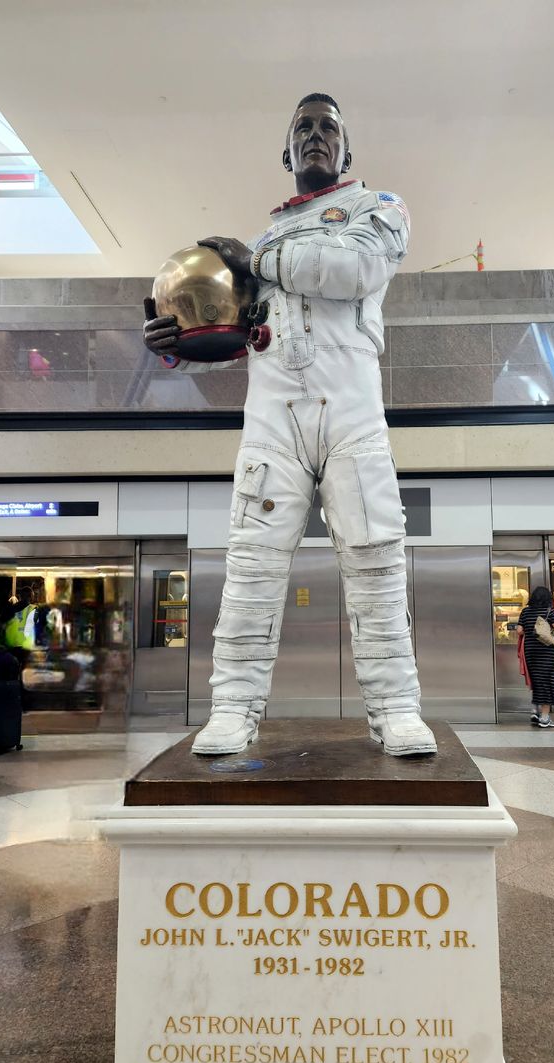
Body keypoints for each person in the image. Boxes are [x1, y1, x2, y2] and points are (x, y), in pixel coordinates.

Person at [143, 93, 436, 758]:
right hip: (273, 416)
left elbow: (355, 269)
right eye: (302, 127)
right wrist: (174, 340)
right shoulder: (263, 243)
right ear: (286, 152)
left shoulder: (378, 210)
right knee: (251, 564)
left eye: (327, 126)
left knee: (375, 556)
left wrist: (257, 262)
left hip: (352, 413)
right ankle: (232, 709)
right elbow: (234, 334)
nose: (313, 135)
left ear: (346, 149)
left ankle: (396, 708)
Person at [517, 586, 554, 728]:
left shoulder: (525, 612)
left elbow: (520, 630)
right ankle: (544, 718)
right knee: (548, 682)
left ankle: (535, 710)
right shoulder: (551, 613)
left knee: (537, 680)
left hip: (531, 652)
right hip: (548, 652)